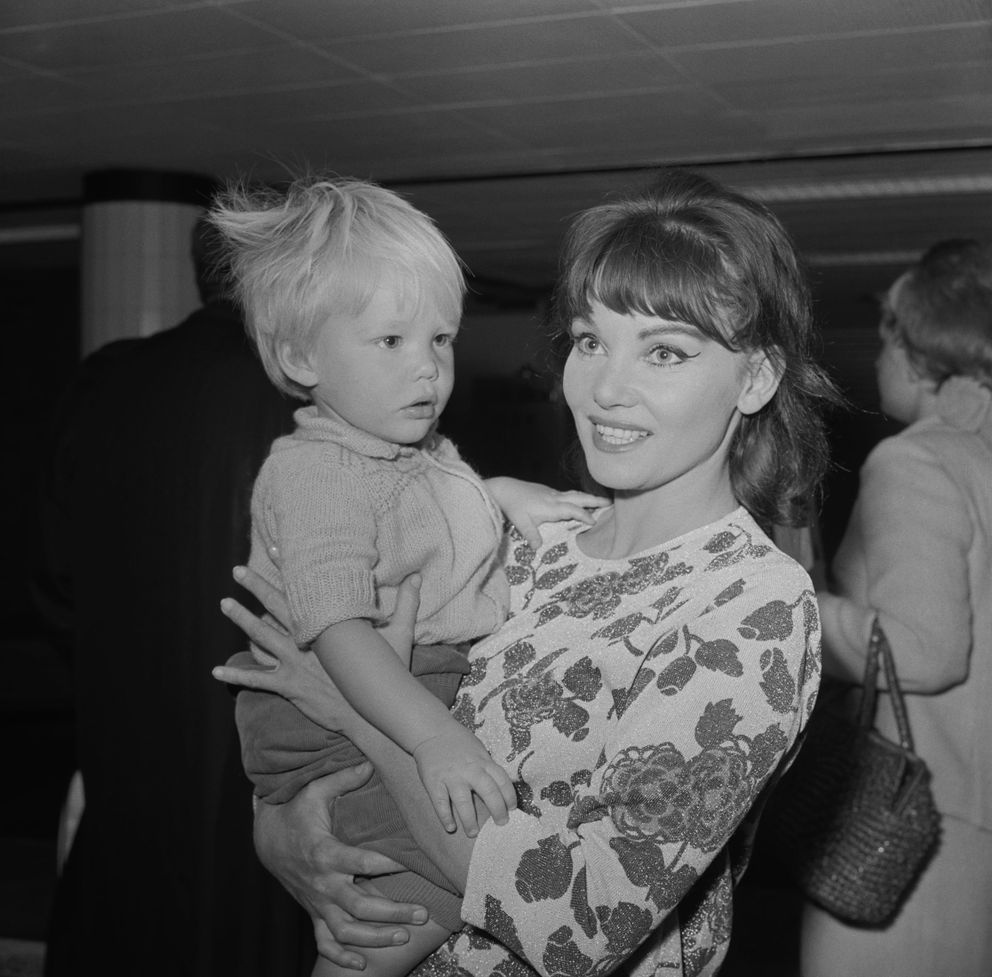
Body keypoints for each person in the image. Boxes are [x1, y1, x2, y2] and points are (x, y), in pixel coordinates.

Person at [214, 168, 836, 976]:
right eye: (589, 340)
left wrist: (355, 712)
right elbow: (333, 769)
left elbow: (581, 922)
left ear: (755, 377)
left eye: (666, 352)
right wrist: (288, 837)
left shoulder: (752, 606)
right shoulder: (539, 543)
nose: (607, 388)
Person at [210, 176, 607, 977]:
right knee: (399, 911)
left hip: (392, 687)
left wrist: (498, 495)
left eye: (440, 339)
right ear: (298, 356)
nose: (427, 368)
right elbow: (338, 629)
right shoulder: (317, 472)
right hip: (346, 712)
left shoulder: (406, 454)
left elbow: (420, 529)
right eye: (391, 342)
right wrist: (434, 737)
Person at [38, 217, 311, 976]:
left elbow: (53, 581)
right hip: (263, 763)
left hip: (128, 749)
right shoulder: (315, 394)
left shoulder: (102, 381)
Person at [800, 240, 992, 977]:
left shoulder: (917, 459)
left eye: (884, 337)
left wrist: (796, 610)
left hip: (909, 818)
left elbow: (924, 650)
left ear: (916, 355)